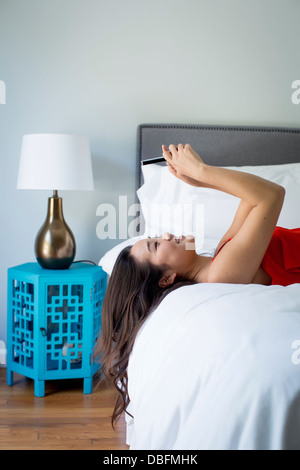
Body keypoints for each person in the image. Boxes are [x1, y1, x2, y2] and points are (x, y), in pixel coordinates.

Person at [95, 143, 300, 426]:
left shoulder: (220, 255)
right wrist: (202, 171)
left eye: (156, 236)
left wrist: (198, 180)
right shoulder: (220, 275)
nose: (165, 235)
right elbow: (271, 195)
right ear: (166, 279)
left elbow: (250, 200)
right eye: (156, 245)